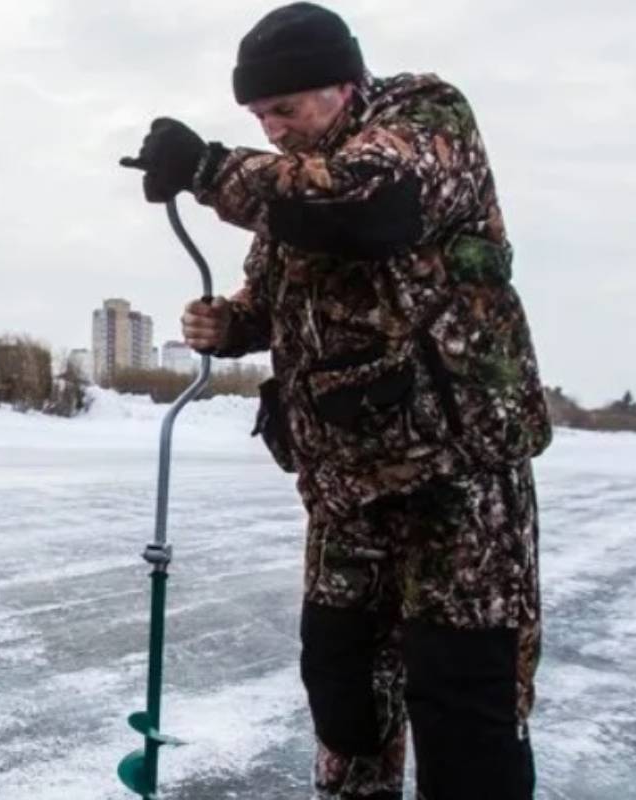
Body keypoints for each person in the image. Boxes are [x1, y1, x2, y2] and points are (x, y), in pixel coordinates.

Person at [123, 4, 551, 798]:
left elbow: (367, 211)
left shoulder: (426, 117)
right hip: (345, 490)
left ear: (345, 85)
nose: (274, 129)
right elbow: (287, 288)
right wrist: (233, 323)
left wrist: (210, 168)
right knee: (342, 683)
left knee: (464, 700)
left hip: (455, 483)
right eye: (258, 116)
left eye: (285, 109)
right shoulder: (295, 188)